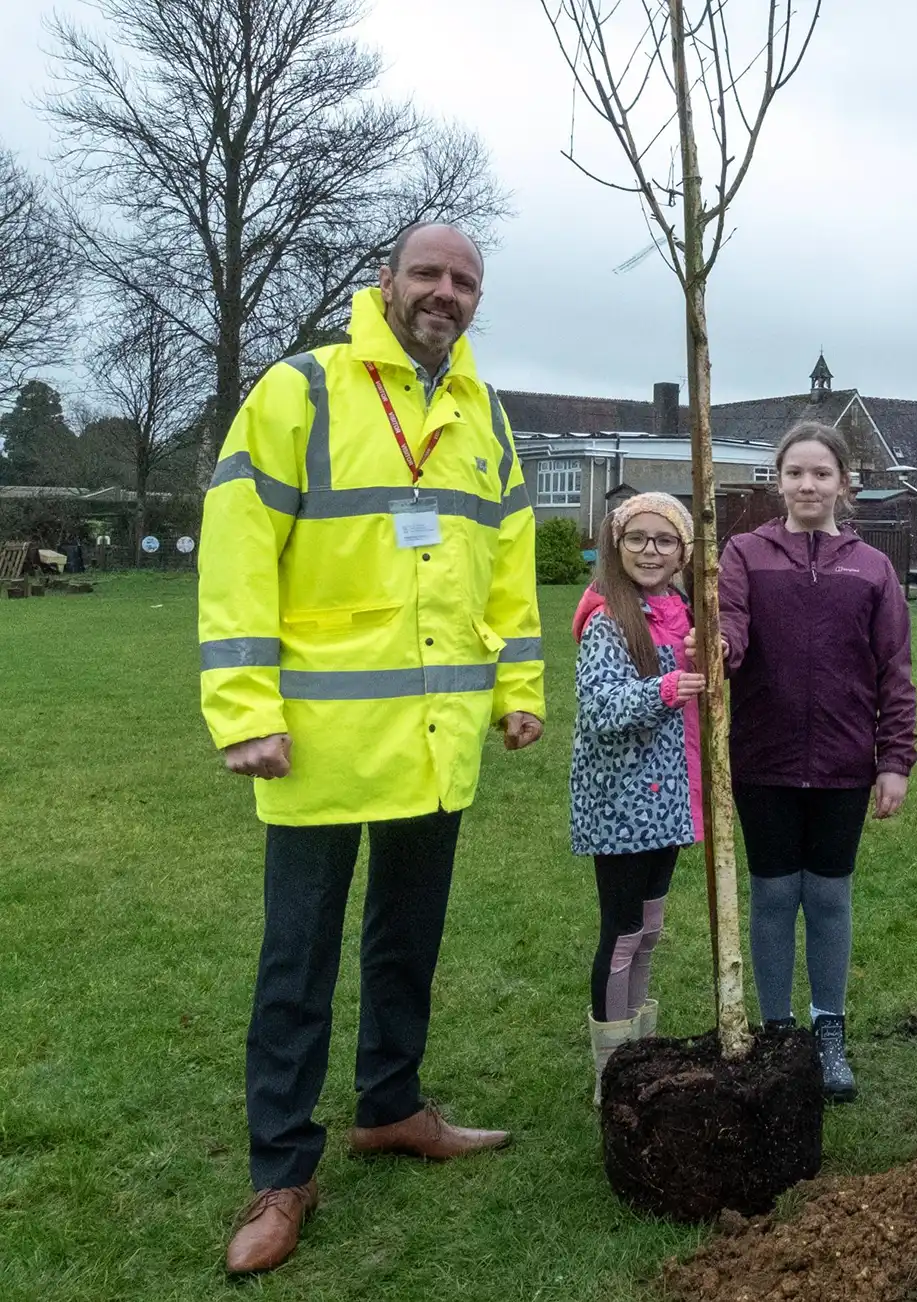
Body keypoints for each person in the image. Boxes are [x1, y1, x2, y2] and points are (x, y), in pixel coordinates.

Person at [198, 223, 543, 1275]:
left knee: (407, 941)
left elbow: (508, 560)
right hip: (317, 745)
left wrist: (519, 687)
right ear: (384, 282)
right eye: (428, 274)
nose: (446, 293)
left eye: (465, 281)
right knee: (296, 961)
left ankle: (391, 1105)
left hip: (435, 743)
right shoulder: (299, 392)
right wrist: (243, 706)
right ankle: (281, 1171)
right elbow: (239, 548)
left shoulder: (483, 414)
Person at [719, 422, 916, 1102]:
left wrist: (895, 759)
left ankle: (828, 1028)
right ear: (778, 481)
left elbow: (896, 669)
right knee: (774, 895)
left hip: (842, 763)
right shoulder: (743, 554)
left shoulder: (872, 570)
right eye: (795, 473)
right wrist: (715, 650)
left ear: (843, 483)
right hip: (762, 759)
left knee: (828, 895)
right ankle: (778, 1032)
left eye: (820, 473)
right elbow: (731, 629)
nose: (807, 484)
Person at [569, 493, 705, 1104]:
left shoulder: (678, 609)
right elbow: (602, 709)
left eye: (665, 540)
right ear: (615, 547)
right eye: (637, 539)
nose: (651, 551)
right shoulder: (608, 619)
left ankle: (639, 1053)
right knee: (622, 932)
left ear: (683, 553)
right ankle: (611, 1071)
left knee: (650, 930)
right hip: (621, 806)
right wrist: (672, 679)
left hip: (669, 799)